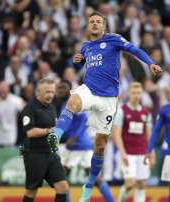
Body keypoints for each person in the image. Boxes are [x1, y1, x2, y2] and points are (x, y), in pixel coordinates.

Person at [49, 12, 162, 202]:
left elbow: (134, 50)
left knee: (100, 146)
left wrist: (150, 63)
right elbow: (81, 64)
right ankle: (55, 136)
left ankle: (89, 184)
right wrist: (78, 60)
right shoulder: (86, 47)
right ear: (88, 27)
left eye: (98, 21)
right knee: (72, 101)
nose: (94, 24)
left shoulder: (114, 39)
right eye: (91, 21)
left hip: (108, 100)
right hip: (89, 90)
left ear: (104, 26)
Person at [55, 80, 114, 202]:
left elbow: (84, 120)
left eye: (63, 87)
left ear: (69, 89)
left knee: (61, 178)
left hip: (79, 144)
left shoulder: (75, 101)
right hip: (78, 146)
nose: (60, 90)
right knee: (92, 178)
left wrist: (75, 137)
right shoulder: (63, 104)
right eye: (59, 88)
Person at [20, 78, 69, 202]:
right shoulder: (30, 108)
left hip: (51, 154)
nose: (50, 95)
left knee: (63, 187)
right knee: (32, 190)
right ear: (38, 92)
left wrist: (57, 153)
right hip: (34, 154)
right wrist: (48, 130)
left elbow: (54, 130)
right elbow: (30, 132)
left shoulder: (52, 108)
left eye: (52, 92)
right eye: (47, 92)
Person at [112, 82, 154, 202]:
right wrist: (122, 152)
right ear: (129, 93)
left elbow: (149, 135)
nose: (136, 95)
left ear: (141, 94)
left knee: (141, 184)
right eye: (134, 93)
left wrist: (152, 153)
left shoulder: (146, 113)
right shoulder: (122, 111)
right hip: (128, 153)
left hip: (142, 153)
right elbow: (117, 134)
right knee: (130, 183)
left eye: (138, 93)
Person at [0, 81, 24, 146]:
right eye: (1, 89)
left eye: (5, 89)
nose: (3, 91)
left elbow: (26, 110)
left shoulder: (16, 100)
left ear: (8, 90)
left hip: (10, 139)